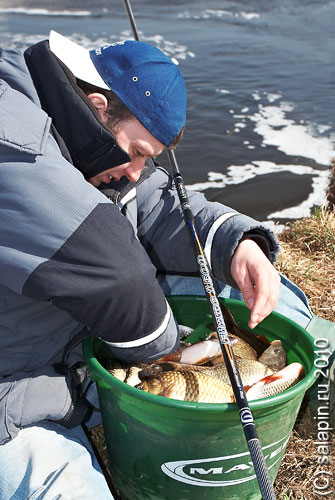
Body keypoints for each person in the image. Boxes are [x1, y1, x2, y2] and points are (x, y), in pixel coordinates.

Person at [0, 31, 312, 499]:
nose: (135, 171)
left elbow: (156, 204)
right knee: (68, 490)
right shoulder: (13, 138)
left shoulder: (87, 137)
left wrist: (237, 243)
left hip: (73, 338)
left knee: (275, 297)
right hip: (16, 380)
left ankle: (311, 394)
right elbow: (116, 277)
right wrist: (169, 355)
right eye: (138, 153)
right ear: (98, 105)